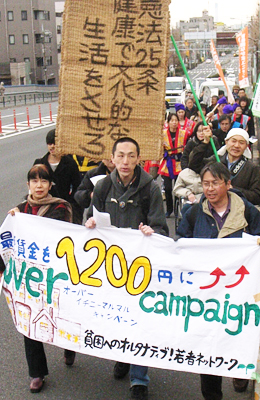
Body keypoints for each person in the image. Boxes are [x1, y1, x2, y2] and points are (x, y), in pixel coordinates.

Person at [177, 161, 260, 400]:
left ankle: (240, 370)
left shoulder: (247, 210)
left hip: (238, 294)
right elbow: (180, 243)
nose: (210, 189)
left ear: (228, 184)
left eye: (215, 183)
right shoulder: (192, 213)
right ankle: (212, 394)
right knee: (207, 345)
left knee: (236, 336)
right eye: (205, 184)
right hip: (205, 296)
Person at [85, 137, 168, 400]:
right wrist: (89, 223)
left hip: (138, 267)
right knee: (116, 317)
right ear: (112, 158)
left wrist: (151, 230)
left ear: (138, 159)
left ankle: (139, 377)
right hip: (109, 266)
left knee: (138, 320)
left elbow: (162, 228)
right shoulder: (102, 187)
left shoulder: (150, 188)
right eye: (120, 155)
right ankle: (122, 356)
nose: (125, 161)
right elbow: (91, 217)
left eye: (131, 156)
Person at [7, 164, 74, 393]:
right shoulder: (19, 210)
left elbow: (58, 235)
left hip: (56, 277)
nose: (39, 185)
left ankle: (69, 346)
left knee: (61, 317)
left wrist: (21, 221)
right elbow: (7, 243)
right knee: (29, 322)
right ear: (28, 185)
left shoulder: (60, 207)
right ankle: (37, 373)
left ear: (50, 185)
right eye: (34, 181)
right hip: (30, 280)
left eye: (44, 181)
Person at [188, 127, 260, 205]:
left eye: (241, 142)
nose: (237, 145)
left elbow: (257, 197)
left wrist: (233, 190)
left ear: (246, 146)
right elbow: (194, 165)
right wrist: (205, 143)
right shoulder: (216, 161)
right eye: (233, 141)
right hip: (213, 208)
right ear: (226, 142)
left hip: (238, 211)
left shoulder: (251, 168)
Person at [34, 129, 83, 224]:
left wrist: (70, 206)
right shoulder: (39, 163)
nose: (52, 146)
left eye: (55, 143)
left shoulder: (70, 164)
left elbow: (77, 187)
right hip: (43, 207)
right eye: (49, 143)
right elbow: (33, 186)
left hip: (64, 208)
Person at [158, 113, 188, 217]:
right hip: (168, 163)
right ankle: (169, 209)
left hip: (179, 163)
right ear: (168, 122)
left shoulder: (183, 133)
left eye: (176, 120)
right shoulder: (163, 134)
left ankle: (177, 209)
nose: (174, 122)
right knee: (167, 188)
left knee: (177, 188)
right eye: (172, 120)